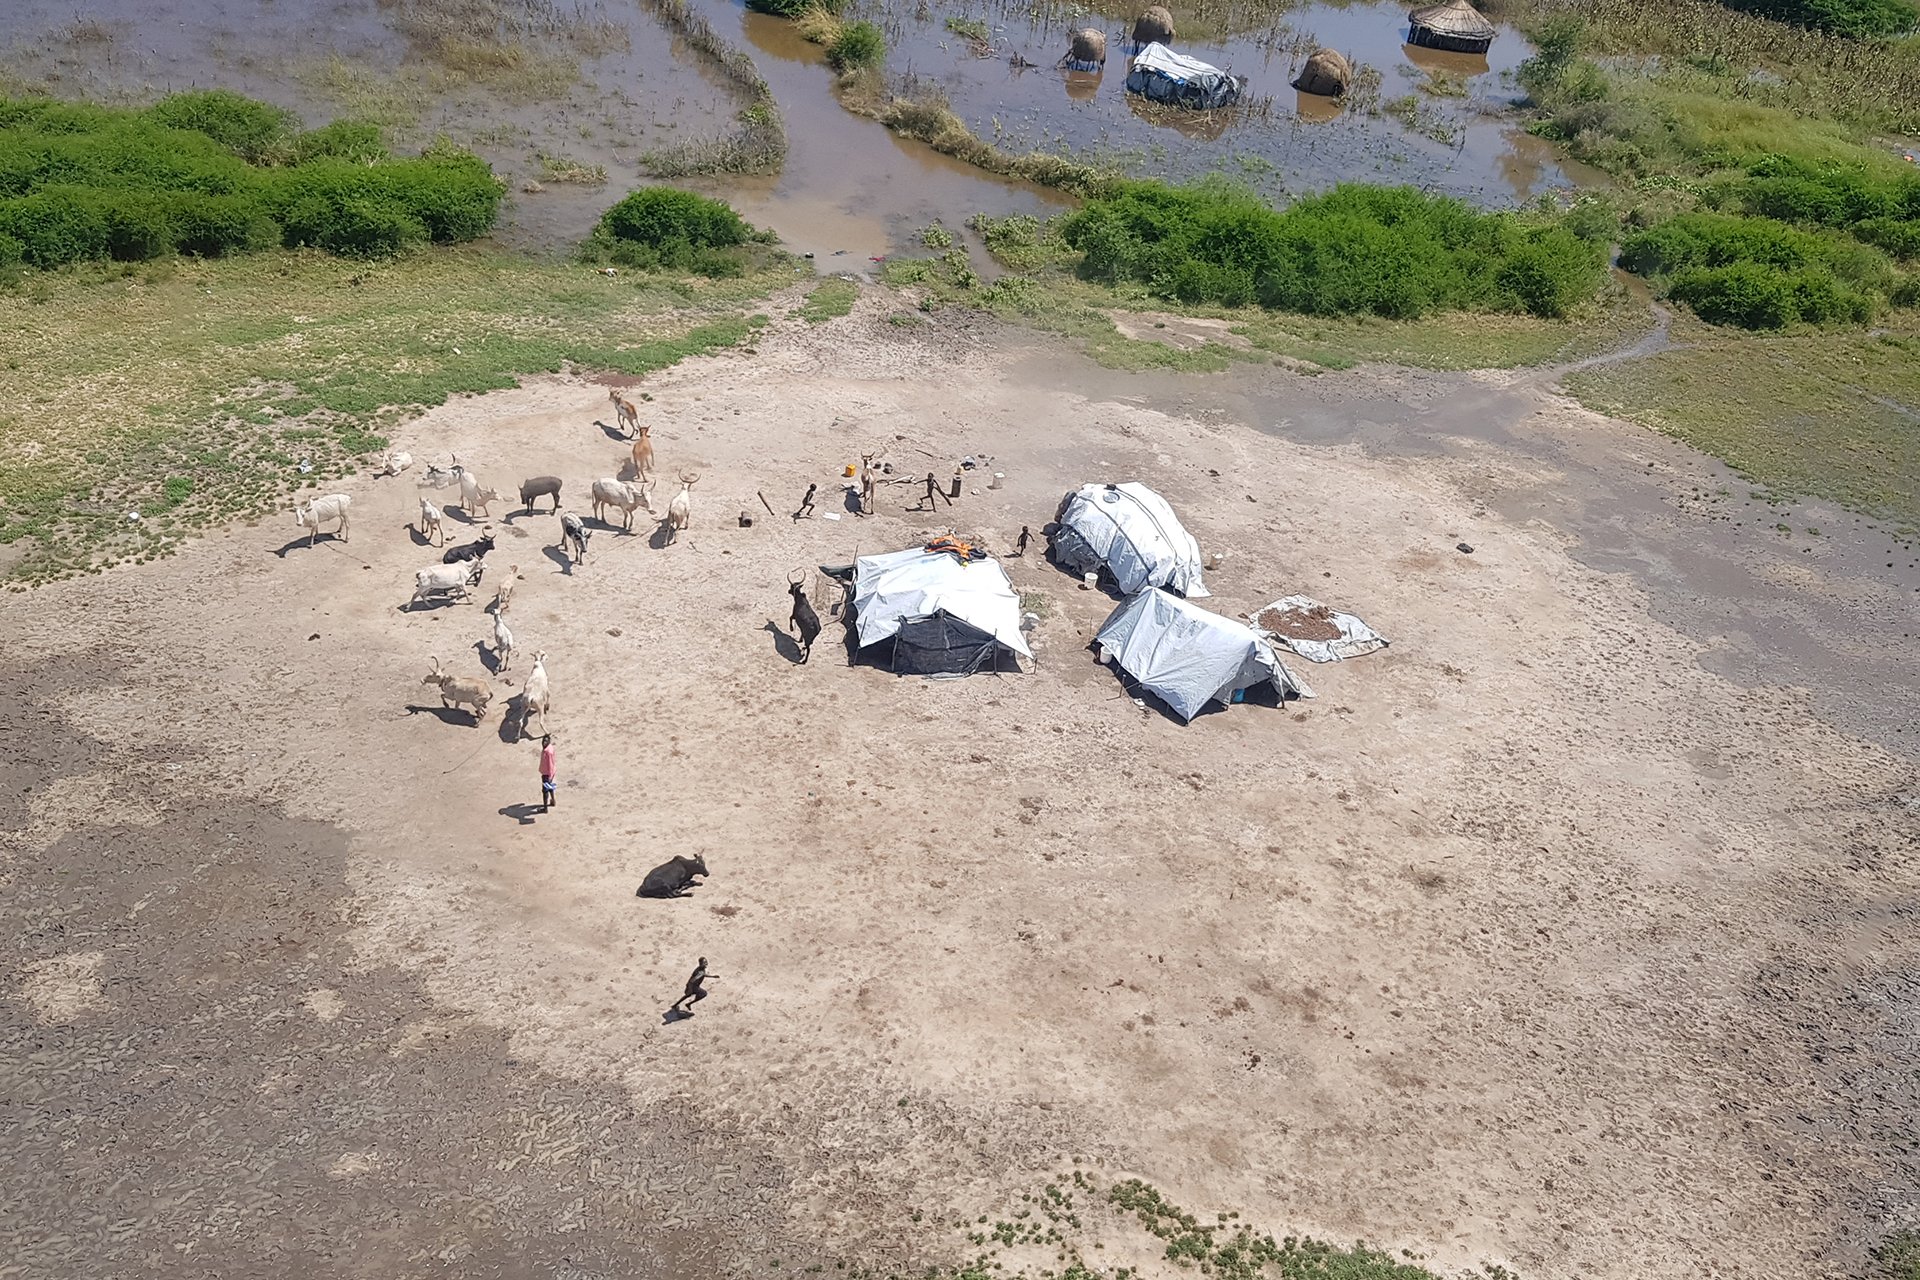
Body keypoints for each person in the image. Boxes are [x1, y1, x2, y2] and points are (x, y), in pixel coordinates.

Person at [539, 734, 557, 811]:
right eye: (543, 741)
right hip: (551, 771)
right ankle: (553, 801)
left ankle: (545, 808)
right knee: (550, 787)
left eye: (546, 741)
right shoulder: (549, 748)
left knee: (545, 791)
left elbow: (549, 764)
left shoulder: (547, 752)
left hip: (547, 773)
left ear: (549, 741)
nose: (544, 742)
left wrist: (549, 776)